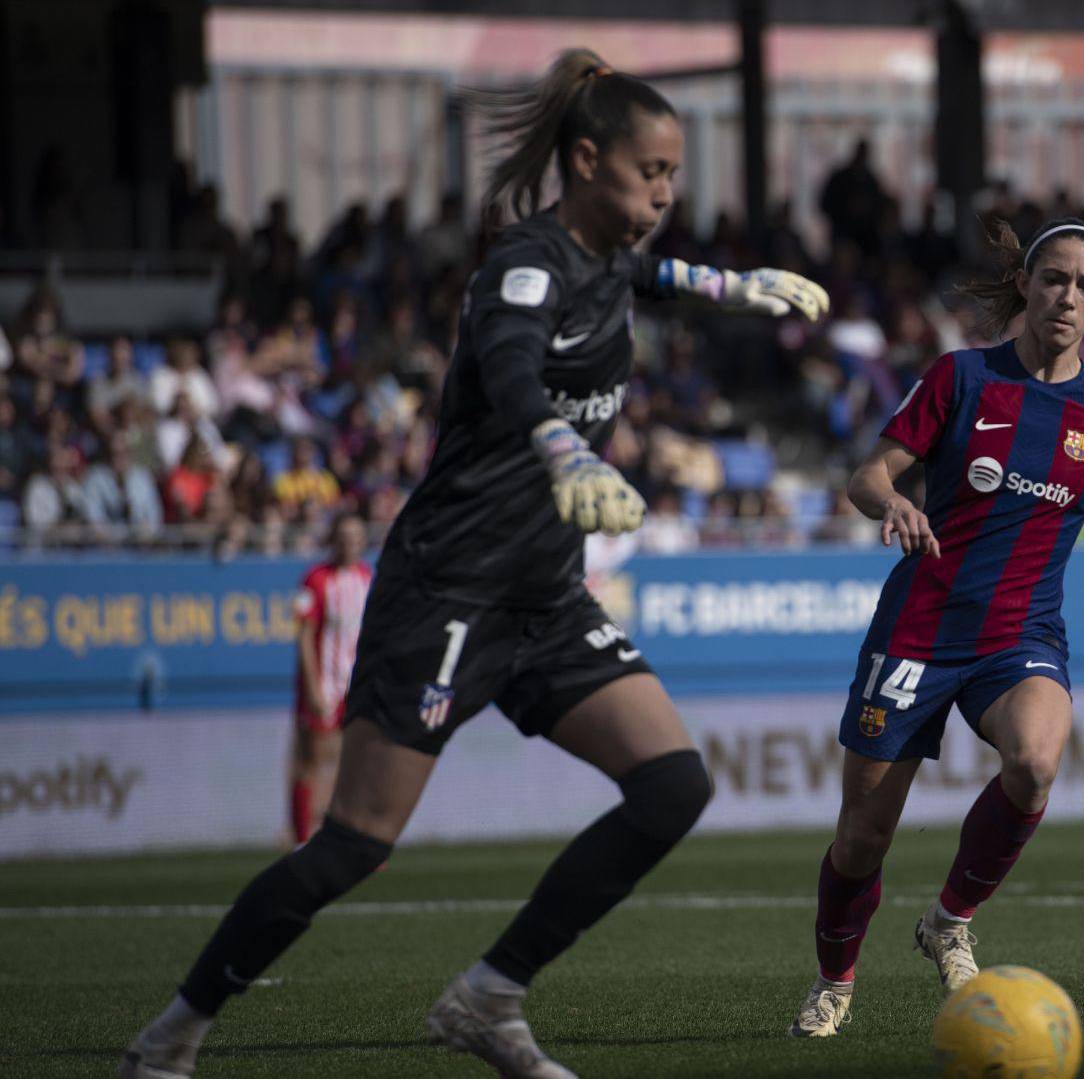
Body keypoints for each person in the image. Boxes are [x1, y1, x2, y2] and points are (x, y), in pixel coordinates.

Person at [120, 48, 829, 1079]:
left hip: (543, 594)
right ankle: (169, 1035)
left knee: (673, 784)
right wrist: (560, 446)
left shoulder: (610, 258)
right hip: (447, 586)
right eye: (650, 172)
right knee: (357, 842)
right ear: (586, 161)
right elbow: (505, 362)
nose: (666, 193)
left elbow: (654, 274)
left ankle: (488, 997)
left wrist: (740, 284)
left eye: (675, 174)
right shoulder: (525, 263)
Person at [788, 217, 1084, 1037]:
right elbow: (869, 474)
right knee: (861, 839)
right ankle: (835, 980)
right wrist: (892, 500)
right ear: (1029, 286)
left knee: (1036, 762)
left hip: (1020, 635)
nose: (1066, 296)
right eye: (1053, 279)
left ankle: (949, 921)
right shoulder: (961, 379)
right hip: (917, 632)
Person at [288, 513, 372, 845]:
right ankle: (301, 837)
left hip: (356, 684)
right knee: (312, 759)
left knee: (359, 760)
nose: (349, 544)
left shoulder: (366, 578)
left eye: (355, 537)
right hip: (325, 685)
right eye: (343, 537)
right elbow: (305, 636)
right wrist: (312, 687)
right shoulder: (315, 579)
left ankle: (353, 837)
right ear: (333, 540)